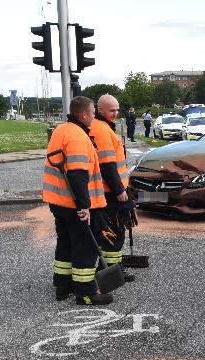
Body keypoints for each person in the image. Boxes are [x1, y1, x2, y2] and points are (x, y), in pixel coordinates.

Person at [43, 96, 112, 305]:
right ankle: (86, 292)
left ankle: (63, 287)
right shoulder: (78, 137)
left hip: (58, 201)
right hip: (75, 204)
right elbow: (77, 174)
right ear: (83, 114)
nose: (94, 116)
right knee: (85, 247)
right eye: (92, 113)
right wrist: (85, 207)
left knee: (65, 243)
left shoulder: (61, 130)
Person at [89, 94, 136, 282]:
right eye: (112, 110)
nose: (115, 113)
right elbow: (107, 166)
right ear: (100, 110)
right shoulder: (101, 130)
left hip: (110, 190)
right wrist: (120, 191)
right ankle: (112, 271)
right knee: (115, 233)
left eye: (117, 110)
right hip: (111, 193)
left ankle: (110, 268)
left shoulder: (103, 127)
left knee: (111, 233)